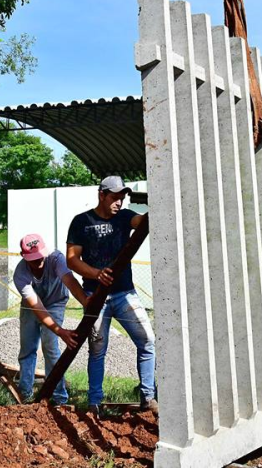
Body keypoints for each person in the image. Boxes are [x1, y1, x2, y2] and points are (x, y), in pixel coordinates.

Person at [66, 175, 157, 415]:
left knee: (147, 341)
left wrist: (158, 199)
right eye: (115, 197)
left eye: (122, 197)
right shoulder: (81, 222)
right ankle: (94, 402)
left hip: (125, 294)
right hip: (95, 296)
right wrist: (96, 274)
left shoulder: (126, 217)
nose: (119, 202)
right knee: (97, 349)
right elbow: (72, 260)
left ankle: (148, 397)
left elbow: (144, 221)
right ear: (102, 195)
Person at [13, 232, 88, 404]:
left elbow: (69, 280)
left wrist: (85, 301)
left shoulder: (56, 259)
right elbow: (36, 306)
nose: (39, 261)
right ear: (23, 257)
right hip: (31, 307)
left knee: (50, 347)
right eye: (33, 258)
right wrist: (60, 331)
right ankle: (25, 394)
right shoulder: (20, 273)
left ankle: (59, 397)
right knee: (27, 349)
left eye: (40, 256)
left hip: (55, 302)